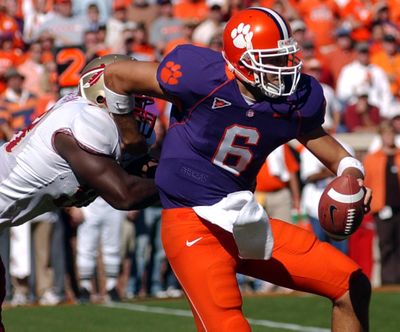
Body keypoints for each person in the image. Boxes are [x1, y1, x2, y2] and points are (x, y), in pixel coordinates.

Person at [104, 7, 372, 331]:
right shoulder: (200, 76)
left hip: (245, 221)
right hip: (193, 225)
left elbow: (324, 144)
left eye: (284, 58)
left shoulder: (295, 99)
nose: (283, 69)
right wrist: (132, 144)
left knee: (351, 284)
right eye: (271, 61)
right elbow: (116, 75)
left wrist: (352, 176)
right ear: (241, 61)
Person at [0, 54, 159, 330]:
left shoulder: (90, 115)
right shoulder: (86, 120)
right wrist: (192, 186)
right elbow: (125, 194)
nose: (141, 105)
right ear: (102, 95)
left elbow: (137, 174)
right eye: (132, 95)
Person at [364, 120, 400, 285]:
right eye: (386, 134)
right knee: (386, 245)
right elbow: (367, 184)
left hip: (398, 208)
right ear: (381, 136)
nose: (389, 137)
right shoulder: (372, 159)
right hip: (382, 209)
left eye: (391, 133)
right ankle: (388, 281)